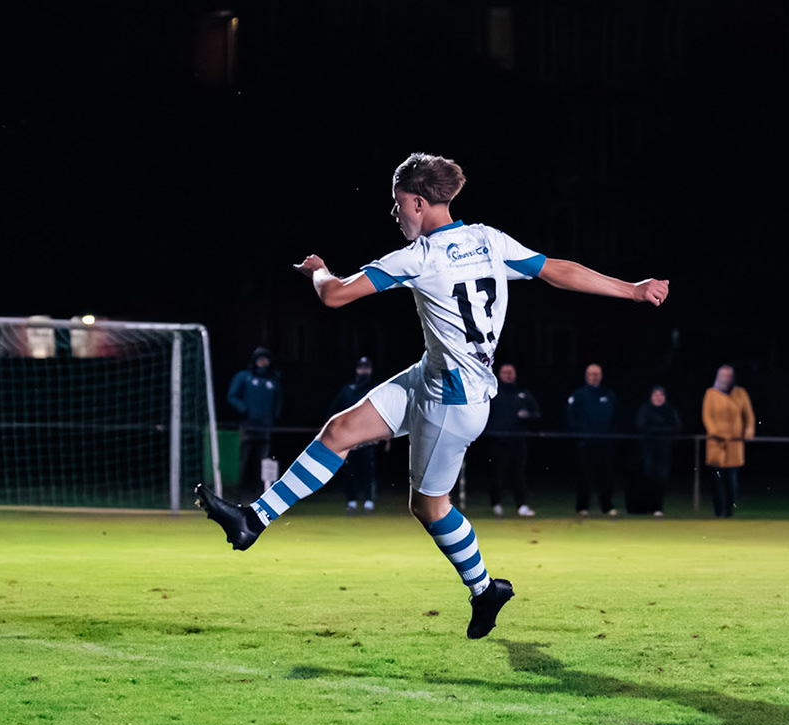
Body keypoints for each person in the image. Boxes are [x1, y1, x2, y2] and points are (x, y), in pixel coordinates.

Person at [194, 151, 669, 639]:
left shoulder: (420, 257)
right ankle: (252, 520)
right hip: (432, 376)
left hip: (454, 402)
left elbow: (333, 295)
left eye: (398, 203)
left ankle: (485, 590)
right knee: (340, 430)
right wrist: (632, 290)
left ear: (419, 202)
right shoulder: (488, 240)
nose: (395, 213)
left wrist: (317, 269)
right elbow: (556, 270)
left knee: (428, 507)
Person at [225, 347, 282, 500]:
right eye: (260, 359)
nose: (263, 362)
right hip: (247, 426)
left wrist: (275, 416)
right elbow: (232, 396)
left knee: (264, 462)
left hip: (265, 428)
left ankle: (262, 493)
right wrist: (243, 409)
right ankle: (235, 493)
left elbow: (279, 401)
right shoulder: (244, 377)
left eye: (266, 359)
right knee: (243, 461)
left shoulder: (273, 381)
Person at [486, 362, 540, 517]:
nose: (508, 375)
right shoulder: (493, 392)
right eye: (505, 372)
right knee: (496, 473)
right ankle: (496, 504)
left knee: (518, 473)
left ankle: (521, 505)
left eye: (511, 372)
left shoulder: (523, 393)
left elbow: (536, 412)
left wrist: (528, 415)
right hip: (497, 440)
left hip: (518, 440)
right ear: (499, 375)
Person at [327, 356, 380, 512]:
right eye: (361, 367)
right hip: (349, 437)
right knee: (350, 470)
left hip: (368, 437)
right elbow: (334, 410)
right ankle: (351, 500)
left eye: (366, 368)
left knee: (368, 469)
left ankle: (369, 500)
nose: (363, 370)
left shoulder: (375, 390)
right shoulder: (348, 389)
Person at [565, 364, 620, 516]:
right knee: (584, 476)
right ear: (586, 376)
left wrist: (612, 436)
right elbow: (570, 417)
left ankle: (607, 506)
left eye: (597, 374)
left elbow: (617, 416)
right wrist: (578, 436)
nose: (594, 377)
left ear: (601, 376)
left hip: (605, 443)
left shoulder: (608, 394)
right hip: (585, 443)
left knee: (606, 476)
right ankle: (582, 507)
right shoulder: (579, 394)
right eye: (591, 374)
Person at [701, 364, 754, 518]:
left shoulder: (740, 393)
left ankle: (729, 512)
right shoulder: (710, 394)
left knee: (732, 482)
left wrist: (748, 430)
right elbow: (707, 416)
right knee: (717, 481)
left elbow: (748, 415)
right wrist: (714, 432)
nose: (726, 379)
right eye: (723, 375)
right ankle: (718, 511)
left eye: (729, 376)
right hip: (716, 444)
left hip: (735, 443)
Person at [631, 386, 682, 517]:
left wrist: (656, 429)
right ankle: (644, 507)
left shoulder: (670, 410)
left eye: (661, 395)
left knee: (661, 478)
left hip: (664, 449)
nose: (658, 398)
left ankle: (657, 507)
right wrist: (662, 429)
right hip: (647, 449)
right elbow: (640, 425)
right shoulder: (645, 408)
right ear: (651, 397)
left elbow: (677, 427)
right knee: (647, 476)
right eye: (655, 395)